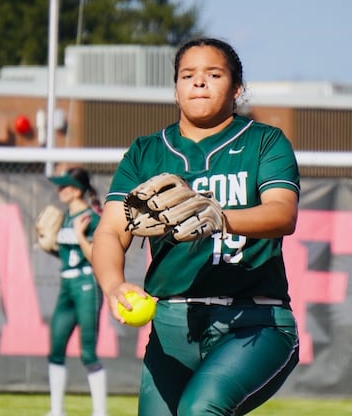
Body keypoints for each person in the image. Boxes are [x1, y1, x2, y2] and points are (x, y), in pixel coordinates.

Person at [91, 37, 301, 415]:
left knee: (200, 409)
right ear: (175, 89)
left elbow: (283, 214)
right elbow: (109, 230)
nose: (199, 82)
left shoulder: (264, 141)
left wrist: (220, 218)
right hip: (172, 323)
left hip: (254, 322)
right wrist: (113, 284)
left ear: (237, 89)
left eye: (213, 74)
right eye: (188, 75)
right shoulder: (146, 152)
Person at [44, 167, 107, 416]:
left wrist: (81, 236)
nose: (60, 190)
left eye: (65, 185)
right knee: (56, 348)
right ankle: (56, 410)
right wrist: (47, 245)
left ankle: (100, 412)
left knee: (88, 352)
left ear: (78, 189)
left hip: (86, 284)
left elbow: (97, 256)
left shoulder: (92, 218)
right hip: (66, 285)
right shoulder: (65, 218)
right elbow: (67, 255)